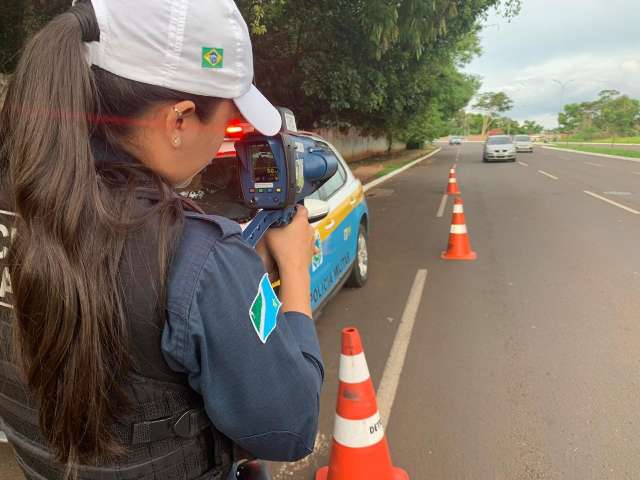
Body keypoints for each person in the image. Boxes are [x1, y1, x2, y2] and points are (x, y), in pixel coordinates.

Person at [0, 0, 324, 479]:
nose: (222, 146)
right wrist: (294, 272)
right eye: (225, 124)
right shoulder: (196, 258)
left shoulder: (22, 199)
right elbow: (290, 427)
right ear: (179, 120)